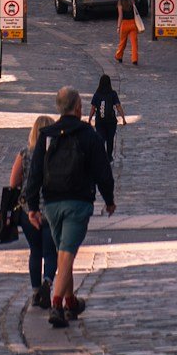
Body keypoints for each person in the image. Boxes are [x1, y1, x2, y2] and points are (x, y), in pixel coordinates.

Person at [23, 85, 116, 331]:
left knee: (65, 252)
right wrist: (109, 199)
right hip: (78, 202)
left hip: (51, 204)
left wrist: (32, 205)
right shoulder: (88, 134)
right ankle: (57, 304)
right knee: (66, 253)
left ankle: (71, 302)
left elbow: (35, 173)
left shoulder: (47, 134)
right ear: (78, 107)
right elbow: (102, 171)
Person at [10, 113, 60, 309]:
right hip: (52, 208)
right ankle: (48, 282)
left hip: (27, 209)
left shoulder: (25, 153)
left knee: (35, 251)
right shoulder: (57, 154)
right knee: (50, 252)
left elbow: (14, 183)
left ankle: (36, 291)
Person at [91, 72, 123, 160]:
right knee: (110, 139)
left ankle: (101, 155)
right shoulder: (113, 94)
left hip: (100, 121)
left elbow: (93, 108)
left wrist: (90, 119)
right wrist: (123, 118)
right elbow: (118, 106)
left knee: (101, 138)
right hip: (111, 121)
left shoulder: (97, 94)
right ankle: (109, 156)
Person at [114, 0, 140, 66]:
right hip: (133, 24)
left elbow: (120, 16)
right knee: (134, 43)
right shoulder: (132, 2)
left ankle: (119, 56)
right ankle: (135, 59)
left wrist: (118, 27)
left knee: (122, 42)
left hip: (124, 24)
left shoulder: (120, 5)